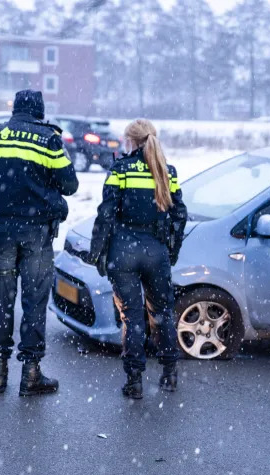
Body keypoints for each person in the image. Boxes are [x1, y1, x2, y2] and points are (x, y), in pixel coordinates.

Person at [0, 90, 78, 396]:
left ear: (15, 109)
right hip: (36, 232)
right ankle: (31, 374)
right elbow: (70, 185)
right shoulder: (48, 138)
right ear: (40, 111)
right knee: (34, 300)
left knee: (1, 298)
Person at [88, 119, 187, 399]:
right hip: (156, 251)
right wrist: (171, 250)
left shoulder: (120, 169)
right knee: (162, 314)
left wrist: (97, 252)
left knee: (132, 318)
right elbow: (179, 214)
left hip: (124, 251)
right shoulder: (168, 172)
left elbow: (105, 214)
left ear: (130, 141)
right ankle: (169, 374)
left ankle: (134, 382)